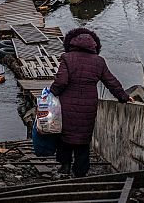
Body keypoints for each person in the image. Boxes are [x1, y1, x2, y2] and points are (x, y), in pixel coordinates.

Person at [50, 27, 131, 178]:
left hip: (67, 105)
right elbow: (111, 82)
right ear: (95, 45)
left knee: (65, 135)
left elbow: (61, 81)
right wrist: (123, 97)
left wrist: (51, 93)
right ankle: (80, 171)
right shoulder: (99, 62)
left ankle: (65, 166)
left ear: (71, 43)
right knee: (83, 137)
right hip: (88, 106)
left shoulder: (67, 58)